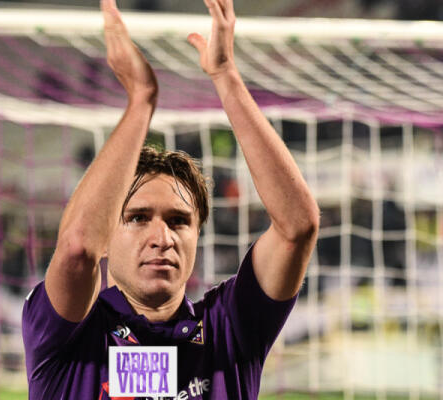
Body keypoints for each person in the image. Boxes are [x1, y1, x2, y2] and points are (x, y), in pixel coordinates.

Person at [22, 0, 320, 398]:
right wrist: (141, 99)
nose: (162, 238)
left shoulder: (229, 327)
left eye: (179, 220)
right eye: (138, 217)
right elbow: (77, 248)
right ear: (105, 236)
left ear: (198, 234)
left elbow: (298, 227)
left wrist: (226, 76)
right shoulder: (70, 333)